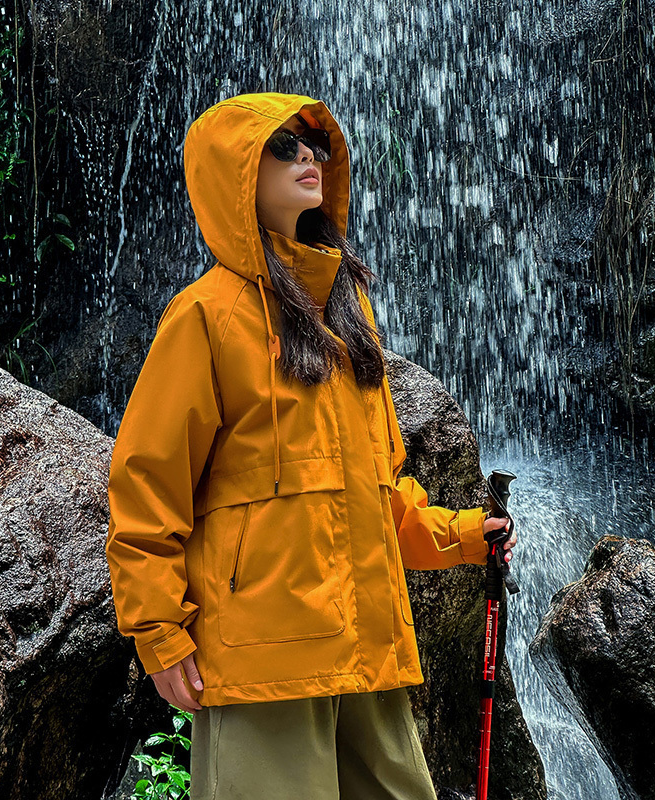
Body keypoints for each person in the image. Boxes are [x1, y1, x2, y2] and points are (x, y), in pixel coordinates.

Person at [105, 91, 517, 800]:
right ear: (234, 172)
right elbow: (146, 485)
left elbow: (376, 490)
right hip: (266, 663)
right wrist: (159, 632)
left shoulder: (349, 318)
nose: (307, 155)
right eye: (282, 145)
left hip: (368, 656)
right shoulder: (205, 316)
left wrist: (461, 536)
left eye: (314, 145)